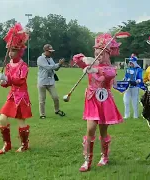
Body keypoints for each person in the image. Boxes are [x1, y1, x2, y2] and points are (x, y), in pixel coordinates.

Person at [72, 33, 123, 172]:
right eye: (96, 52)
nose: (98, 55)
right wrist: (85, 59)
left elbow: (109, 74)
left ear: (107, 54)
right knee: (90, 129)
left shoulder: (110, 68)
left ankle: (104, 157)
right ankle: (87, 160)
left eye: (102, 53)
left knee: (103, 131)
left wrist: (96, 69)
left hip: (104, 101)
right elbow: (76, 60)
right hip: (91, 100)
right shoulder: (91, 62)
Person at [0, 23, 32, 154]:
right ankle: (7, 144)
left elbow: (21, 80)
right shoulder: (8, 65)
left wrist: (8, 79)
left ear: (20, 51)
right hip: (12, 96)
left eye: (14, 50)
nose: (11, 53)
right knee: (2, 118)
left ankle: (24, 144)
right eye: (10, 50)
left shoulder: (23, 65)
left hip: (21, 97)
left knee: (20, 120)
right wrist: (2, 81)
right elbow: (7, 84)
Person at [37, 44, 65, 119]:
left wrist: (60, 65)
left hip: (50, 81)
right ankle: (42, 114)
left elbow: (55, 69)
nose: (51, 53)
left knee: (55, 97)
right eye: (50, 51)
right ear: (45, 51)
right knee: (42, 99)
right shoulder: (40, 59)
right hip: (42, 81)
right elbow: (48, 67)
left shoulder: (50, 59)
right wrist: (58, 64)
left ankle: (57, 110)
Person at [123, 54, 143, 119]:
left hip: (135, 87)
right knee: (126, 101)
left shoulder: (138, 69)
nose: (130, 64)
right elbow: (126, 76)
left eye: (131, 63)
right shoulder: (127, 69)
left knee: (135, 102)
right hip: (128, 87)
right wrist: (124, 80)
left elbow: (140, 78)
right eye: (130, 62)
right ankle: (127, 115)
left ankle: (135, 115)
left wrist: (137, 81)